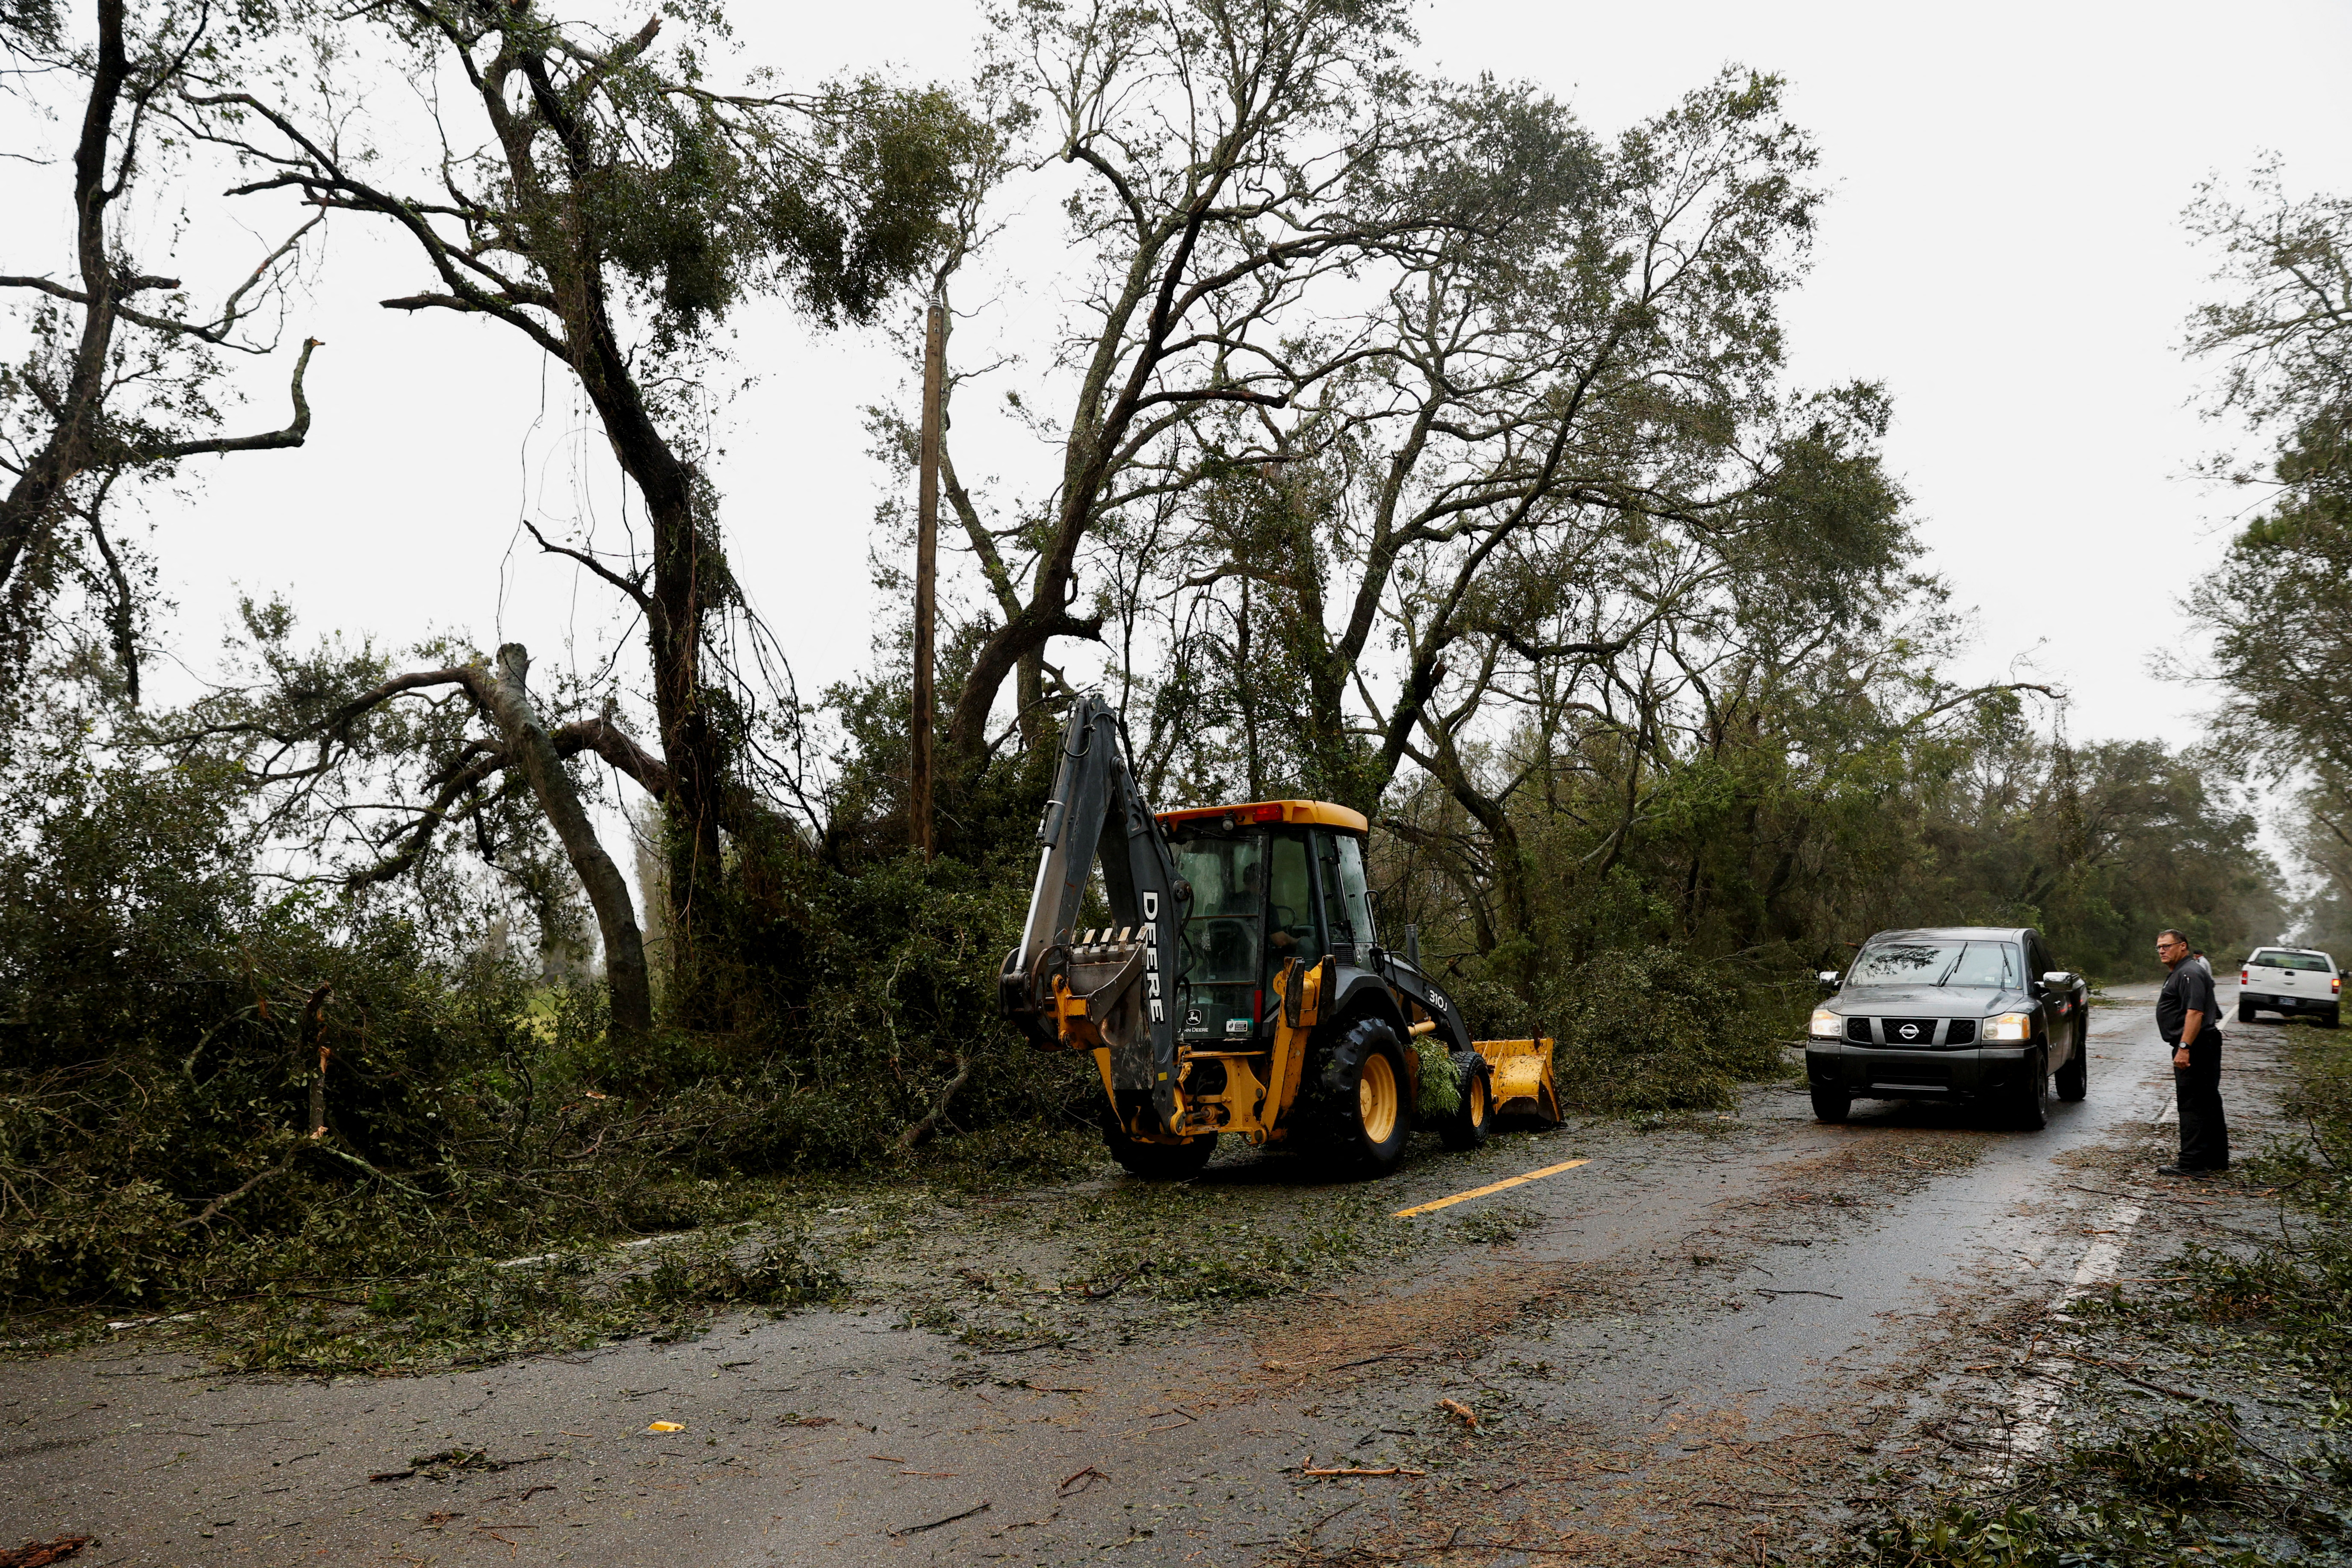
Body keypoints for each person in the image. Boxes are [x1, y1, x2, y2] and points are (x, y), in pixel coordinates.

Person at [2154, 928, 2228, 1176]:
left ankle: (2192, 1163)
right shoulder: (2183, 972)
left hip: (2197, 1046)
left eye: (2168, 945)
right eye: (2159, 947)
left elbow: (2195, 1013)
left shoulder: (2189, 973)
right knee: (2208, 1101)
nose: (2162, 950)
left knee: (2192, 1104)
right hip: (2201, 1044)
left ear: (2183, 946)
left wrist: (2185, 1048)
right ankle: (2216, 1159)